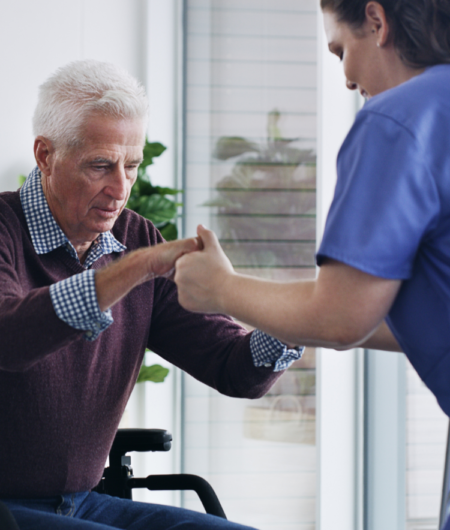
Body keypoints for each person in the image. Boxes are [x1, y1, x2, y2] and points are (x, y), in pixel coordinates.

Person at [175, 0, 450, 523]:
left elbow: (340, 318)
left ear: (377, 20)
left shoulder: (398, 118)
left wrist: (223, 291)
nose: (346, 79)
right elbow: (411, 318)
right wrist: (280, 312)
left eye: (340, 50)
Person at [0, 60, 303, 530]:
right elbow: (10, 337)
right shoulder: (5, 230)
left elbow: (231, 367)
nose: (121, 188)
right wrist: (133, 269)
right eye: (100, 165)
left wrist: (292, 316)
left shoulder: (135, 236)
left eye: (132, 165)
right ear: (45, 155)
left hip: (84, 503)